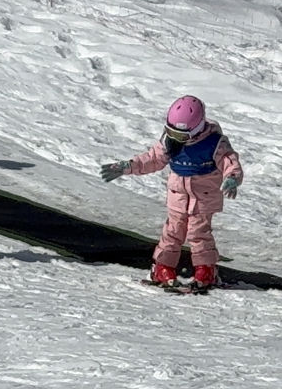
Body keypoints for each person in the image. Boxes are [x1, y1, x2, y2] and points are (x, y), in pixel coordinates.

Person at [100, 95, 243, 287]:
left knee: (199, 233)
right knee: (172, 232)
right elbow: (152, 159)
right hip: (177, 195)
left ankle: (206, 271)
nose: (176, 139)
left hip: (204, 197)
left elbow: (229, 161)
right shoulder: (170, 141)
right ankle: (162, 268)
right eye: (171, 132)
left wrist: (232, 178)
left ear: (198, 128)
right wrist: (128, 166)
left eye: (181, 136)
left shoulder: (215, 143)